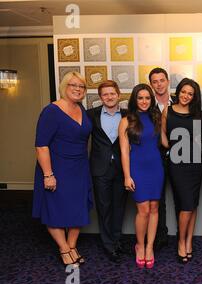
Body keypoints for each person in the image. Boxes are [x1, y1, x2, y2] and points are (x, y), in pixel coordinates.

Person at [32, 71, 92, 267]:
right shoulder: (51, 111)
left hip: (80, 167)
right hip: (57, 168)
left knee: (78, 207)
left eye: (81, 86)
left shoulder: (81, 109)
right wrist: (48, 175)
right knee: (55, 209)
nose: (77, 89)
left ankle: (72, 246)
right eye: (72, 85)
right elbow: (41, 145)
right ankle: (63, 248)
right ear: (64, 87)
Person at [118, 84, 164, 269]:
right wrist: (127, 176)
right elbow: (124, 152)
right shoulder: (126, 120)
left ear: (151, 100)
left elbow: (164, 141)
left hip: (156, 168)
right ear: (134, 100)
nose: (144, 101)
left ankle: (150, 247)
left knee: (154, 208)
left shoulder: (156, 117)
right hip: (137, 169)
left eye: (147, 98)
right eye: (140, 98)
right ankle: (140, 245)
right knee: (143, 210)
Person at [161, 78, 202, 264]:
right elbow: (162, 133)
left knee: (192, 205)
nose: (186, 96)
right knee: (186, 204)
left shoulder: (198, 114)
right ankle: (180, 242)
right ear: (178, 92)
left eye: (190, 94)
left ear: (194, 97)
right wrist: (169, 146)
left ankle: (188, 241)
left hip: (196, 163)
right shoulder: (167, 110)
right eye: (183, 92)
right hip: (177, 164)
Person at [87, 80, 128, 262]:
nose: (109, 97)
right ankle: (108, 244)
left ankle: (117, 240)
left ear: (118, 95)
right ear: (100, 97)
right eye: (105, 94)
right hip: (100, 169)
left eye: (112, 93)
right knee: (104, 207)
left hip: (121, 169)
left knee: (119, 207)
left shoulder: (128, 115)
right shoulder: (91, 115)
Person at [149, 67, 174, 251]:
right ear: (151, 85)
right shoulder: (146, 105)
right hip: (155, 158)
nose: (159, 84)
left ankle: (183, 237)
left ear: (168, 81)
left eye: (162, 80)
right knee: (158, 199)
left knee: (182, 196)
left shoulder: (180, 101)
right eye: (155, 81)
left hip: (178, 157)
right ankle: (160, 236)